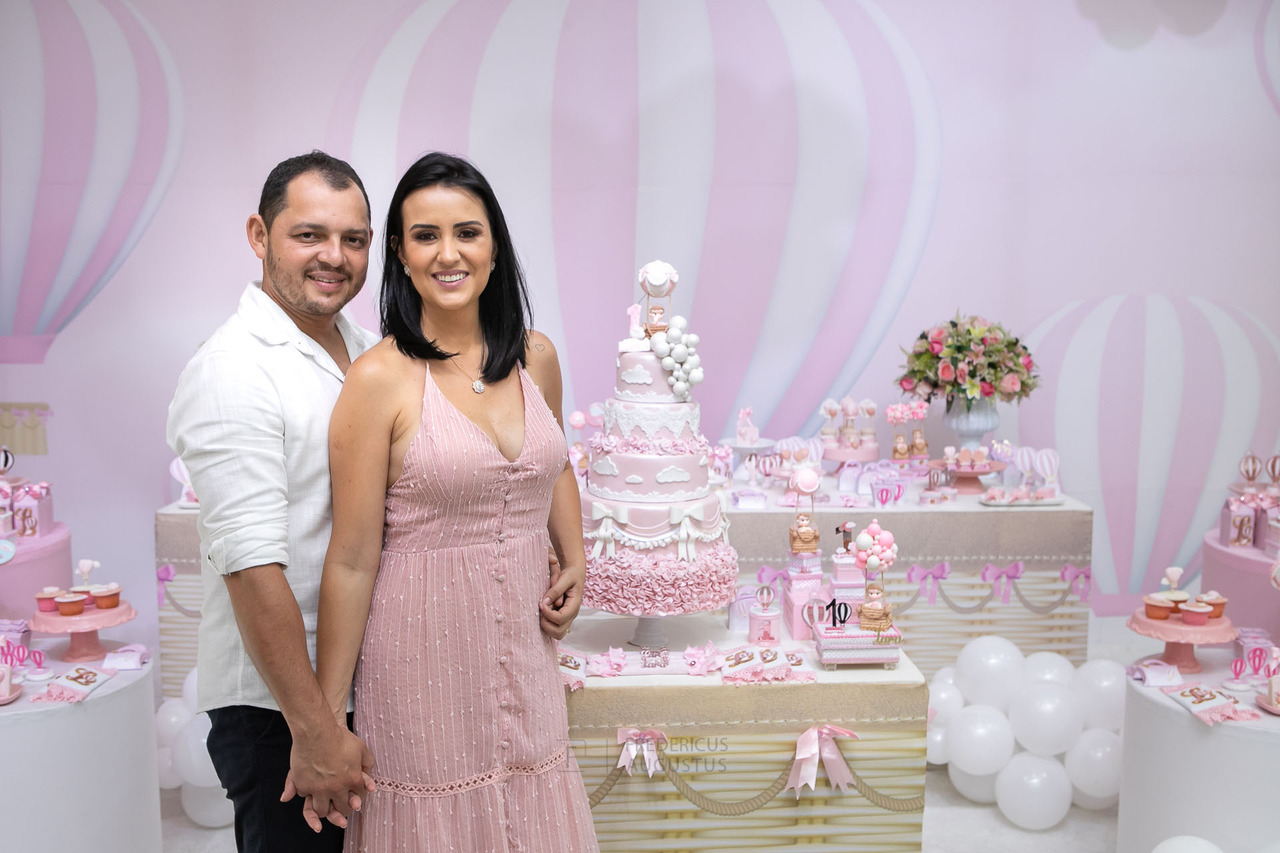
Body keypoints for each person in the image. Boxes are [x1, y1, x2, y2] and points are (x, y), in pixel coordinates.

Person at [314, 152, 599, 850]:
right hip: (418, 653)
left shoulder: (538, 357)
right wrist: (324, 722)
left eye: (467, 232)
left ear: (494, 246)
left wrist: (575, 555)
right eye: (426, 235)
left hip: (525, 650)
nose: (449, 253)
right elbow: (351, 559)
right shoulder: (378, 378)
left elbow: (552, 463)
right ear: (400, 255)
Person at [167, 151, 381, 851]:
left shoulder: (365, 349)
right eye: (310, 234)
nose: (334, 256)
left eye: (353, 239)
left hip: (354, 690)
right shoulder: (235, 370)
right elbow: (252, 569)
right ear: (260, 235)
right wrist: (315, 729)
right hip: (279, 710)